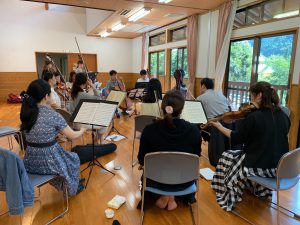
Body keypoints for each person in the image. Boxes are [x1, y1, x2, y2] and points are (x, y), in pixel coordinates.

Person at [210, 81, 290, 211]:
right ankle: (259, 190)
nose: (250, 99)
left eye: (251, 95)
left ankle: (223, 190)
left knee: (226, 155)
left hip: (260, 167)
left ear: (258, 96)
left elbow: (236, 138)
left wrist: (219, 126)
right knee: (237, 155)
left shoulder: (254, 117)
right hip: (279, 168)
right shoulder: (283, 115)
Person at [20, 79, 86, 196]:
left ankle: (70, 181)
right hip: (48, 160)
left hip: (30, 161)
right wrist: (83, 130)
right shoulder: (53, 115)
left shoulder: (27, 113)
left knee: (66, 158)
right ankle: (71, 188)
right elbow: (72, 136)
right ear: (46, 96)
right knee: (73, 158)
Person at [138, 90, 201, 210]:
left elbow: (141, 159)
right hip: (184, 181)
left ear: (163, 107)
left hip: (155, 180)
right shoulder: (193, 130)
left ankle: (166, 195)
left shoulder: (149, 129)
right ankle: (170, 196)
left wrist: (143, 164)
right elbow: (196, 157)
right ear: (182, 110)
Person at [70, 73, 106, 143]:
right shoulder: (82, 94)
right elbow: (99, 98)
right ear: (85, 82)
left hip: (74, 122)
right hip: (81, 124)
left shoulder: (73, 93)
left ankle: (96, 142)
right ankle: (95, 142)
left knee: (100, 121)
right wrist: (92, 85)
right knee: (104, 123)